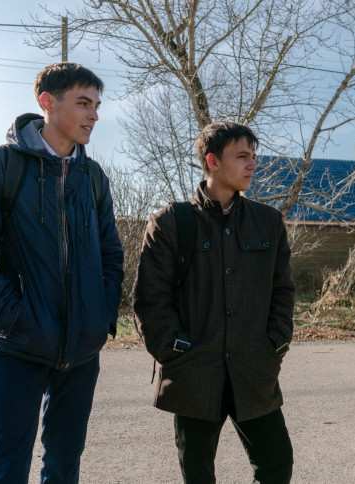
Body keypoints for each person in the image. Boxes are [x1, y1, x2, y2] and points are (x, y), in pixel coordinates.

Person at [0, 62, 124, 483]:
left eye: (97, 106)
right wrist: (15, 317)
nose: (94, 115)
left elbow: (111, 255)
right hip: (19, 347)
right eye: (83, 103)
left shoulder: (93, 177)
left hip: (82, 352)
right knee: (7, 470)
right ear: (47, 102)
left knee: (64, 469)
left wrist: (99, 316)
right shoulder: (0, 166)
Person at [133, 121, 295, 483]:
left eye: (253, 156)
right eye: (242, 156)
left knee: (277, 464)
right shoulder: (170, 223)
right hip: (194, 373)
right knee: (198, 474)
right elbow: (149, 299)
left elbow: (283, 292)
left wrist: (275, 344)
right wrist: (176, 352)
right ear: (213, 161)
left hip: (253, 370)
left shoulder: (268, 222)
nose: (252, 164)